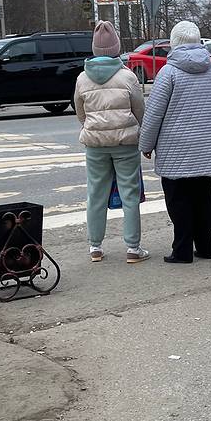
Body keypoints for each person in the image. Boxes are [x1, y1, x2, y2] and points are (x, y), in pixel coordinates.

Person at [139, 21, 211, 264]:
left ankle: (181, 251)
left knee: (178, 202)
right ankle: (206, 246)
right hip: (208, 149)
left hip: (175, 149)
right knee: (204, 198)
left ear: (174, 43)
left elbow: (154, 113)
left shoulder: (168, 73)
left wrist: (146, 145)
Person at [74, 21, 150, 264]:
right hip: (125, 143)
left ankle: (95, 246)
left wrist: (92, 126)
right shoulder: (127, 76)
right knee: (129, 193)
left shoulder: (82, 78)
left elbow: (80, 112)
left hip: (95, 143)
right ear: (117, 47)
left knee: (96, 193)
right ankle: (133, 248)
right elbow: (140, 110)